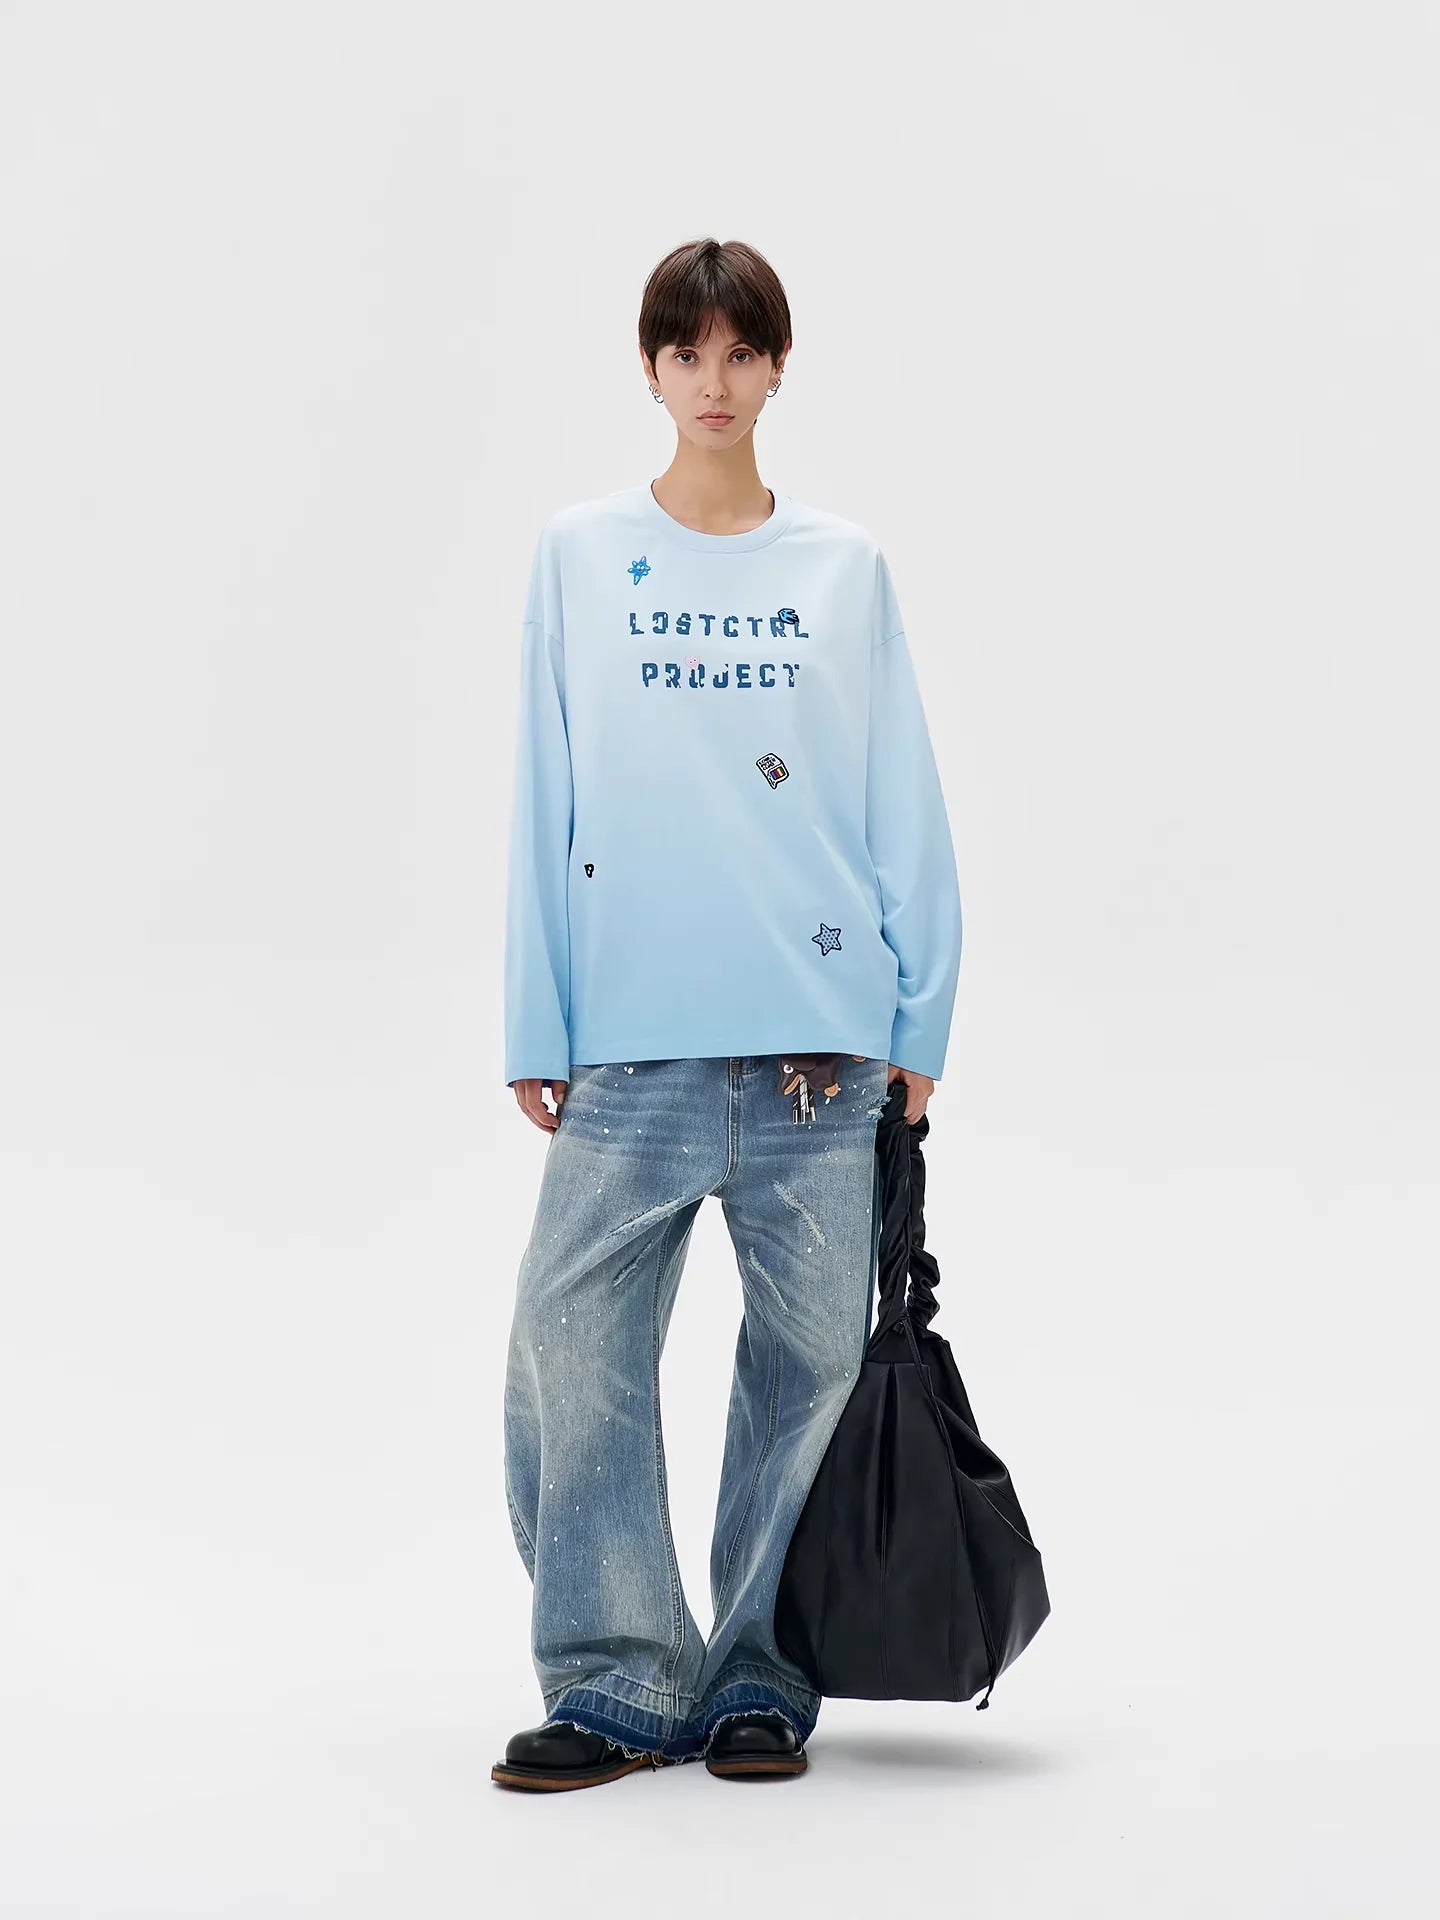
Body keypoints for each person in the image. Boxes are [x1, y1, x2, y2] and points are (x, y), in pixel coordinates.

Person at [493, 237, 961, 1792]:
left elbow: (897, 793)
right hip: (631, 1044)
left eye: (740, 352)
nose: (714, 380)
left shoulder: (843, 567)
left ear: (776, 367)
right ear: (649, 367)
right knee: (574, 1351)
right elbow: (547, 788)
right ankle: (616, 1676)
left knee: (807, 1374)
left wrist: (920, 1019)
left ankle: (762, 1674)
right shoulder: (579, 554)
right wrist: (537, 1019)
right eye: (685, 352)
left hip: (819, 1047)